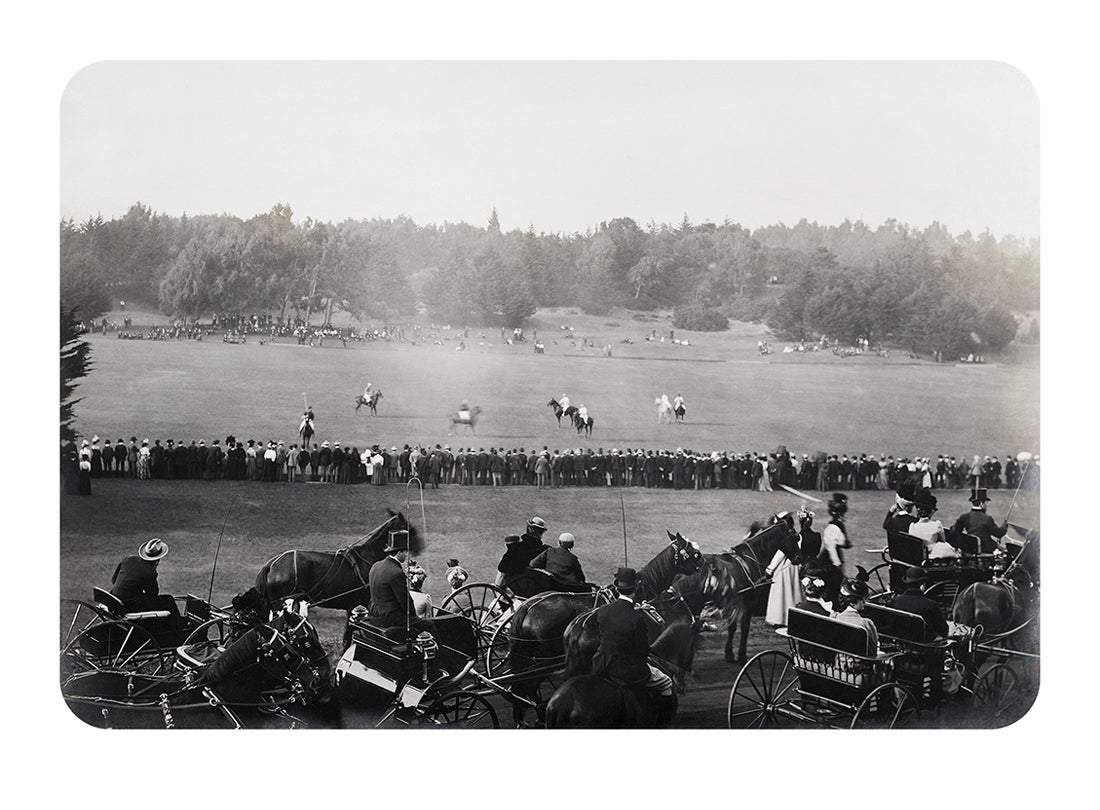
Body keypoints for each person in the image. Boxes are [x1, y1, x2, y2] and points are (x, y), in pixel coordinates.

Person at [590, 567, 676, 726]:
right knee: (666, 682)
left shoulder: (602, 611)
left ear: (616, 588)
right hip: (628, 671)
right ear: (636, 588)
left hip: (602, 665)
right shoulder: (637, 618)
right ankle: (664, 723)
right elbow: (643, 652)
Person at [367, 531, 436, 638]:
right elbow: (405, 602)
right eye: (405, 552)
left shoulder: (375, 566)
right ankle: (440, 654)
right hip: (390, 618)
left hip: (374, 615)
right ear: (399, 553)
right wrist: (415, 617)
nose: (407, 555)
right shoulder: (396, 573)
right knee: (429, 624)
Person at [110, 538, 178, 616]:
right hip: (126, 605)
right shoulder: (149, 571)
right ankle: (177, 625)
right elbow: (152, 594)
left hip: (114, 598)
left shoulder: (129, 559)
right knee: (168, 600)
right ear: (157, 560)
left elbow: (114, 580)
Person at [764, 511, 805, 627]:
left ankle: (780, 618)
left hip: (784, 568)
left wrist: (769, 570)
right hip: (795, 567)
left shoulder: (785, 538)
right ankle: (793, 617)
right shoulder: (798, 536)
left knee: (782, 592)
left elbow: (779, 556)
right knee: (794, 591)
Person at [890, 567, 949, 641]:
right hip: (924, 647)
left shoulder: (893, 602)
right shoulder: (931, 605)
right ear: (922, 584)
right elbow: (943, 630)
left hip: (898, 644)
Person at [815, 494, 850, 604]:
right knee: (833, 582)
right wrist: (837, 563)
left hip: (833, 556)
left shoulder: (837, 525)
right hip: (830, 559)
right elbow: (832, 548)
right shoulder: (833, 527)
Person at [832, 578, 879, 660]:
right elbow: (873, 651)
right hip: (861, 666)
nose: (864, 602)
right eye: (862, 599)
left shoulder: (834, 618)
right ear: (852, 602)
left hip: (839, 663)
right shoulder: (866, 623)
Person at [952, 488, 1008, 552]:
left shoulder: (964, 517)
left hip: (969, 548)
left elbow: (955, 531)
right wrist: (1004, 525)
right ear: (981, 503)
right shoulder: (987, 518)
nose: (987, 505)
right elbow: (999, 533)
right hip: (985, 549)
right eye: (986, 502)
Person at [907, 488, 947, 558]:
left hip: (918, 559)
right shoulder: (937, 525)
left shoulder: (912, 527)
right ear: (930, 511)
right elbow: (943, 542)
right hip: (932, 558)